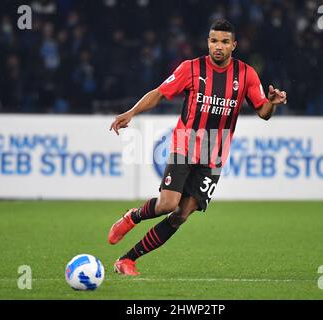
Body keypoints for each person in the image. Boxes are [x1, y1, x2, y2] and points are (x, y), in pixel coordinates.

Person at [108, 19, 287, 276]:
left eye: (225, 42)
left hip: (214, 157)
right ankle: (133, 217)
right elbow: (159, 93)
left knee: (181, 215)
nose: (219, 46)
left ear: (234, 45)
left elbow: (263, 112)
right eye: (214, 40)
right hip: (185, 146)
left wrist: (272, 103)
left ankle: (127, 260)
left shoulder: (246, 74)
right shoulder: (191, 69)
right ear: (208, 42)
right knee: (168, 204)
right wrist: (132, 112)